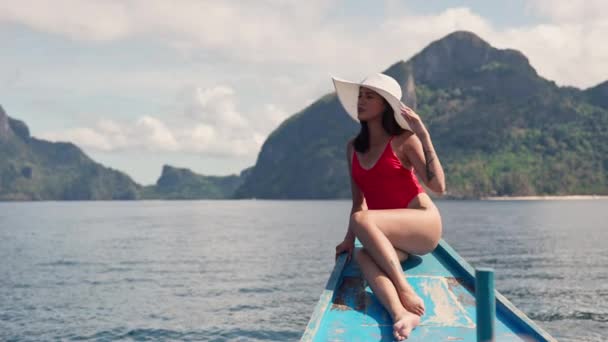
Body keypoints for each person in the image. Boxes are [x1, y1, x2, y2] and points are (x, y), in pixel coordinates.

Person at [332, 73, 446, 340]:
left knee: (362, 220)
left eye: (369, 96)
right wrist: (349, 240)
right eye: (360, 95)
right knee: (362, 255)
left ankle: (403, 288)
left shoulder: (404, 140)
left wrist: (423, 134)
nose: (361, 101)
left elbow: (438, 186)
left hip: (423, 224)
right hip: (388, 234)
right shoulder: (353, 148)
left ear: (384, 105)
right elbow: (358, 200)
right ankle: (401, 315)